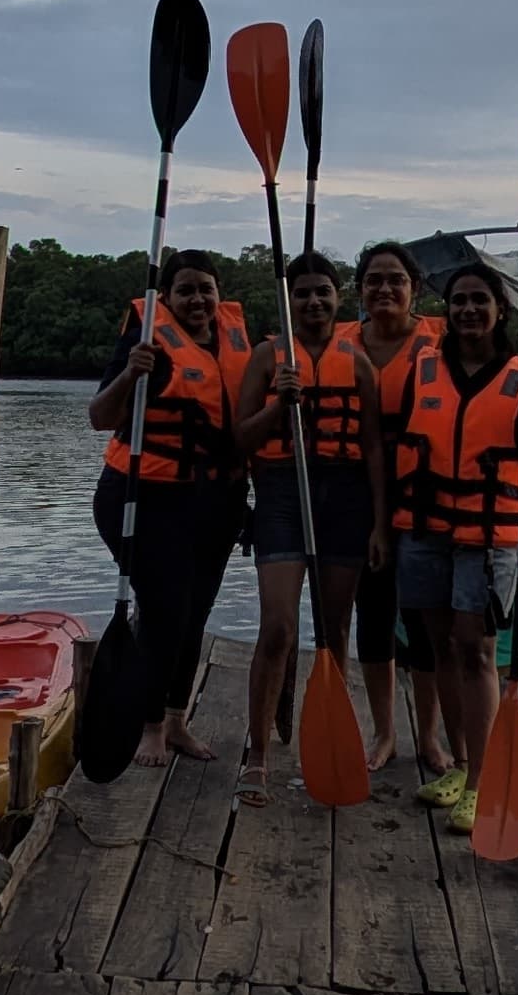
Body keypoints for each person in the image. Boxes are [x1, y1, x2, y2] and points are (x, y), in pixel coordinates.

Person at [83, 251, 252, 764]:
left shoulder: (236, 342)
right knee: (164, 612)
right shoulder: (146, 342)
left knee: (194, 612)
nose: (197, 299)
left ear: (219, 294)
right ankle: (149, 724)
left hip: (216, 501)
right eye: (185, 290)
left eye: (206, 289)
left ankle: (177, 720)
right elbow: (99, 416)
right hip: (143, 497)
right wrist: (132, 374)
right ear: (169, 298)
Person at [388, 259, 518, 832]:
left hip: (486, 534)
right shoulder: (424, 369)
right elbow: (402, 440)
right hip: (425, 527)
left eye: (480, 300)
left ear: (499, 311)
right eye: (459, 301)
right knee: (439, 645)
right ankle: (459, 764)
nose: (468, 309)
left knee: (475, 649)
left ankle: (482, 782)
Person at [227, 252, 374, 804]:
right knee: (279, 628)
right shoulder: (268, 357)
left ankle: (332, 738)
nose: (314, 301)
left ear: (339, 300)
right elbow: (241, 438)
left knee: (335, 634)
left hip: (343, 497)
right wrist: (278, 404)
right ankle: (258, 754)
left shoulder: (357, 363)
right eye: (304, 293)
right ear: (290, 302)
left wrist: (379, 521)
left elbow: (376, 449)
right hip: (283, 492)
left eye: (324, 293)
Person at [340, 241, 443, 778]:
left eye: (395, 280)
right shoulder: (339, 344)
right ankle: (383, 733)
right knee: (374, 616)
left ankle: (429, 737)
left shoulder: (442, 343)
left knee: (423, 622)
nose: (384, 289)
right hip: (357, 496)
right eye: (374, 280)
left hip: (423, 496)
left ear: (414, 289)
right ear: (360, 289)